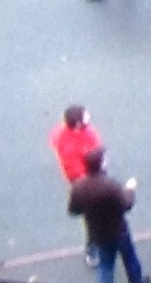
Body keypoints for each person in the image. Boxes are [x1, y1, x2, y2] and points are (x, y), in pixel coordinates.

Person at [68, 147, 150, 283]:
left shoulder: (79, 187)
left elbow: (74, 210)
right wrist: (129, 189)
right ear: (101, 164)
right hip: (118, 230)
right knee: (130, 259)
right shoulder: (110, 186)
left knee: (105, 265)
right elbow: (126, 204)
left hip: (98, 232)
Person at [49, 105, 104, 266]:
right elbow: (76, 173)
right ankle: (92, 250)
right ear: (78, 124)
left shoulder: (81, 131)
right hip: (86, 182)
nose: (88, 116)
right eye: (84, 116)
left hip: (92, 172)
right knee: (93, 217)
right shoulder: (69, 147)